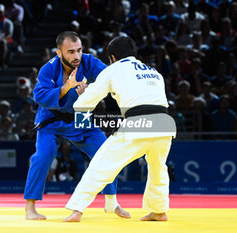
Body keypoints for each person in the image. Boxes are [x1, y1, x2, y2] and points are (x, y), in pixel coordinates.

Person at [64, 36, 176, 222]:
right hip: (165, 123)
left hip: (138, 123)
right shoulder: (153, 71)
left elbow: (87, 100)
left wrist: (82, 124)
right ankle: (159, 211)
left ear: (112, 57)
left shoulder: (114, 69)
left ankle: (77, 209)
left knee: (101, 164)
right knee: (158, 167)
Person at [24, 31, 129, 220]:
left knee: (105, 152)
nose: (76, 56)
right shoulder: (48, 69)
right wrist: (66, 87)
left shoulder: (89, 62)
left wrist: (93, 90)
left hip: (79, 118)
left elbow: (110, 77)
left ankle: (112, 203)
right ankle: (30, 207)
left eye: (79, 50)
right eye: (71, 52)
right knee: (43, 155)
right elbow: (40, 96)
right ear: (59, 53)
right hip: (51, 118)